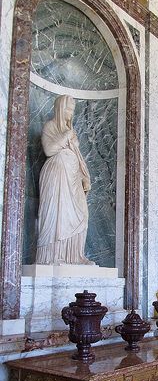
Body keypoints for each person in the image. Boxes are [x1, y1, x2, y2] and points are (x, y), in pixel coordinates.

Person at [36, 95, 94, 265]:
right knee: (58, 214)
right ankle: (53, 256)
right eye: (68, 109)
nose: (70, 113)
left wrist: (84, 176)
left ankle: (75, 256)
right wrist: (66, 135)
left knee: (82, 214)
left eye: (72, 110)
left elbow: (78, 156)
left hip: (73, 178)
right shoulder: (50, 126)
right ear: (60, 109)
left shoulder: (72, 132)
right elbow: (49, 150)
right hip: (57, 177)